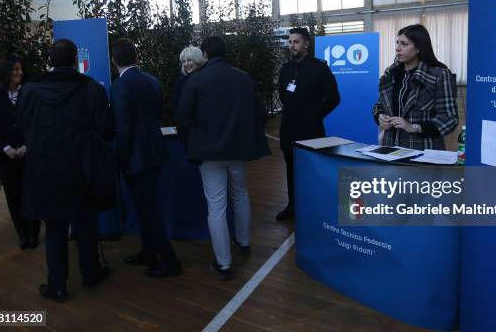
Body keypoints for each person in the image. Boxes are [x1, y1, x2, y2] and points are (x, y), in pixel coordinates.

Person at [18, 39, 111, 302]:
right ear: (75, 61)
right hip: (81, 168)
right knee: (85, 224)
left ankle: (57, 284)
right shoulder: (92, 89)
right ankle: (91, 273)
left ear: (50, 60)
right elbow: (104, 129)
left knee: (55, 228)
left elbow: (22, 126)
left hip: (45, 169)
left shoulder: (31, 90)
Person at [176, 36, 270, 281]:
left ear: (205, 54)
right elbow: (261, 113)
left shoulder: (196, 80)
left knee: (216, 206)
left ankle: (224, 263)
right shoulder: (243, 78)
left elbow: (182, 119)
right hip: (239, 151)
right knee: (240, 194)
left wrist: (191, 146)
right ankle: (244, 241)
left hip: (209, 154)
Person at [110, 37, 182, 278]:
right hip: (156, 151)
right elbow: (158, 114)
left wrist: (121, 159)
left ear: (113, 60)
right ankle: (148, 252)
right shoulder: (152, 81)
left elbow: (123, 128)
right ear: (137, 57)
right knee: (146, 209)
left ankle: (170, 262)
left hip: (135, 157)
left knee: (148, 212)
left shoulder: (119, 86)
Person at [276, 27, 340, 220]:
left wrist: (316, 115)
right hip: (289, 128)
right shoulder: (286, 69)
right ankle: (292, 205)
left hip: (311, 129)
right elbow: (282, 94)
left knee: (312, 170)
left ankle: (314, 207)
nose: (292, 45)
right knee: (291, 168)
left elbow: (333, 98)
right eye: (290, 42)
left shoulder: (320, 68)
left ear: (306, 44)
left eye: (296, 42)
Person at [372, 24, 458, 150]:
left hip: (422, 151)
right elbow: (379, 105)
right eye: (397, 43)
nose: (397, 48)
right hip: (389, 148)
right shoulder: (391, 73)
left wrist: (413, 127)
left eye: (404, 44)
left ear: (419, 48)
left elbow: (449, 119)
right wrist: (379, 116)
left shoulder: (439, 75)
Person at [0, 55, 40, 250]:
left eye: (20, 69)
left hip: (29, 153)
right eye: (15, 70)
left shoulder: (30, 93)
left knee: (31, 194)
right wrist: (6, 148)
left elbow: (37, 123)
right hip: (6, 157)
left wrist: (27, 145)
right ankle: (23, 234)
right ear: (6, 73)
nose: (20, 73)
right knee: (13, 197)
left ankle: (33, 233)